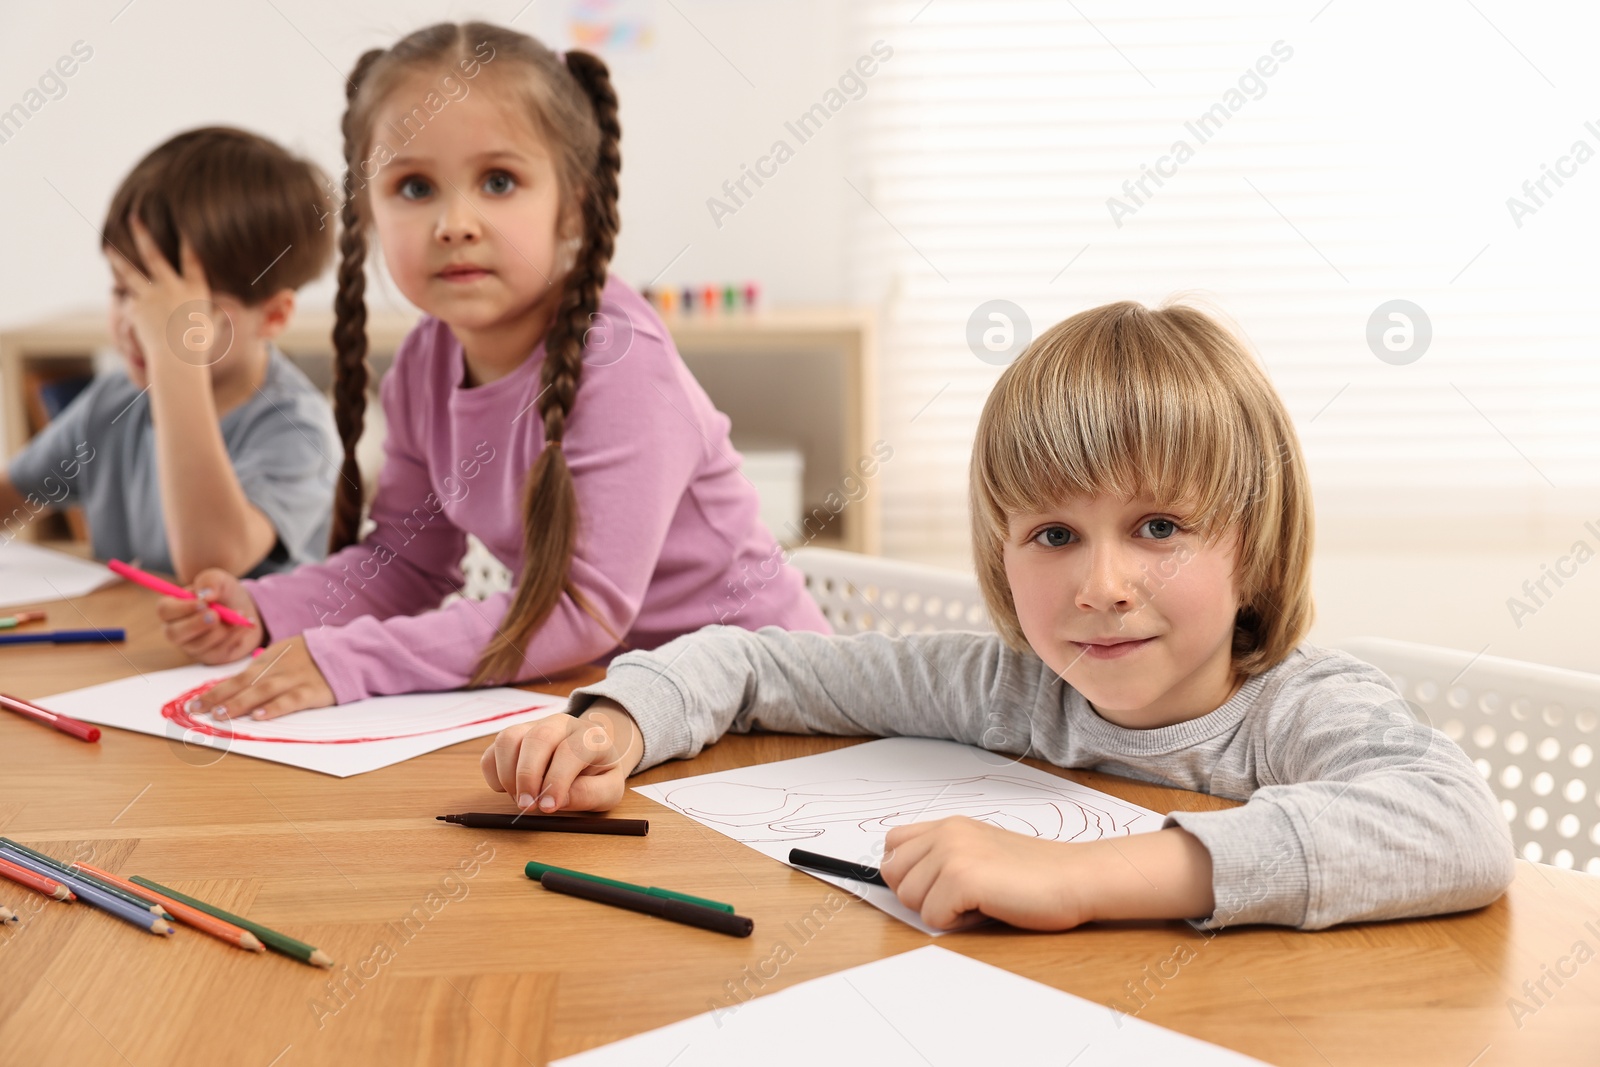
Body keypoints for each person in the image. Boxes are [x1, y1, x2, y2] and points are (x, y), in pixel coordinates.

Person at [483, 300, 1515, 933]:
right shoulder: (1004, 685)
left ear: (1252, 543)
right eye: (1053, 535)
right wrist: (615, 721)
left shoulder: (1300, 709)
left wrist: (1078, 874)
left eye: (1158, 526)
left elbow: (1456, 828)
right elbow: (756, 664)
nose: (1101, 585)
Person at [160, 22, 826, 716]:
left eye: (499, 181)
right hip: (626, 705)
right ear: (367, 212)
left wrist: (349, 660)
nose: (455, 221)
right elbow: (408, 561)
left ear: (574, 204)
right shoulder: (424, 362)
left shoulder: (623, 365)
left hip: (767, 709)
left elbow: (579, 612)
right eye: (414, 187)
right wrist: (264, 609)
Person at [1, 127, 338, 580]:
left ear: (274, 317)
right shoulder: (112, 403)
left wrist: (175, 356)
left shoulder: (297, 430)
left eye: (178, 312)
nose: (137, 323)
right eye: (125, 292)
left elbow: (210, 562)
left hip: (255, 652)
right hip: (132, 641)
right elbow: (9, 501)